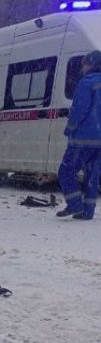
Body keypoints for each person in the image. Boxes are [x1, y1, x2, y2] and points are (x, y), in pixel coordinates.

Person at [57, 50, 101, 220]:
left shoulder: (86, 83)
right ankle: (88, 211)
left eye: (84, 64)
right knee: (92, 174)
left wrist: (70, 128)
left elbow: (79, 110)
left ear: (91, 64)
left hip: (83, 139)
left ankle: (75, 204)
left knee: (65, 171)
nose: (82, 68)